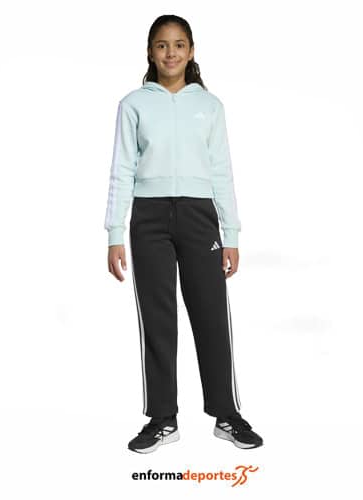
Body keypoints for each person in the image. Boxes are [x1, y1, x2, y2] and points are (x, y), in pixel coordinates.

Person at [104, 14, 263, 453]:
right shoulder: (134, 104)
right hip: (149, 218)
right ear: (150, 52)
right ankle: (162, 418)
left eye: (178, 44)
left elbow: (221, 170)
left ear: (191, 51)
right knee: (157, 318)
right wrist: (115, 232)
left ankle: (226, 414)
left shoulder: (209, 106)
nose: (170, 52)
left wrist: (230, 234)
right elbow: (121, 168)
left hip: (199, 216)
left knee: (211, 314)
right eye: (161, 45)